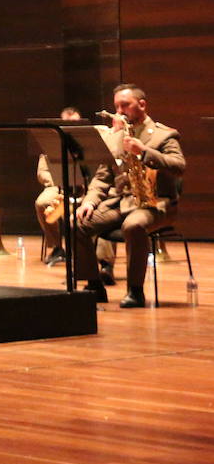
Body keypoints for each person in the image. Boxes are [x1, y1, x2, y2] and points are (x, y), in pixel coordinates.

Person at [76, 84, 185, 308]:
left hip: (155, 203)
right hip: (122, 201)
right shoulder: (115, 138)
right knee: (77, 222)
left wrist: (144, 152)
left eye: (124, 105)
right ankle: (94, 286)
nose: (119, 111)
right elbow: (102, 176)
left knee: (133, 226)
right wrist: (89, 202)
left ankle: (135, 291)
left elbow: (179, 166)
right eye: (116, 106)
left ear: (142, 105)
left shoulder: (164, 134)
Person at [34, 106, 87, 266]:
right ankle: (57, 247)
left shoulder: (90, 142)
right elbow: (42, 172)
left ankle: (86, 251)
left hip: (84, 187)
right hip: (57, 186)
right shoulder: (51, 143)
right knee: (41, 203)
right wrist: (58, 180)